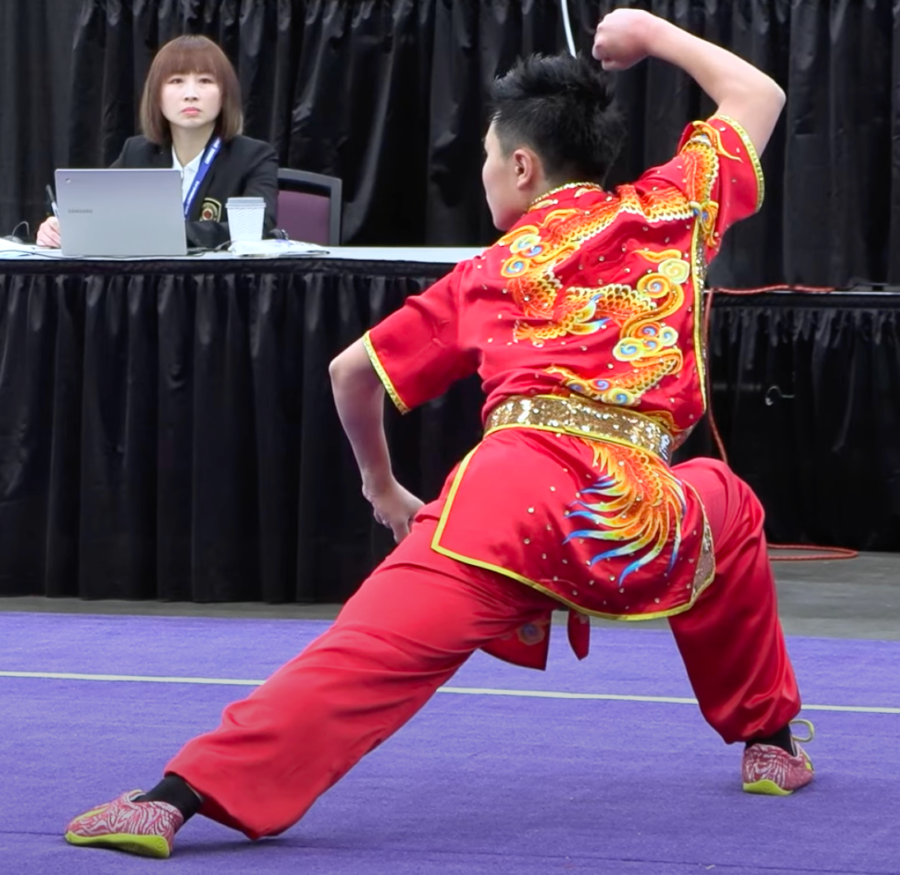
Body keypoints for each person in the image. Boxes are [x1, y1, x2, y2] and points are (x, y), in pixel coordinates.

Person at [64, 8, 813, 861]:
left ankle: (175, 797)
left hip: (513, 503)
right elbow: (758, 92)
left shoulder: (490, 271)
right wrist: (650, 33)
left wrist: (382, 486)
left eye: (489, 158)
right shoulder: (673, 208)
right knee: (731, 505)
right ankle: (772, 743)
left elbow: (351, 373)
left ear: (523, 167)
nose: (485, 173)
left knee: (366, 652)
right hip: (644, 511)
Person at [36, 35, 278, 250]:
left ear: (225, 95)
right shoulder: (136, 152)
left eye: (205, 81)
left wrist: (165, 233)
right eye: (176, 81)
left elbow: (260, 229)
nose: (190, 93)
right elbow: (97, 215)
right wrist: (62, 226)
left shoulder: (253, 157)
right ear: (157, 96)